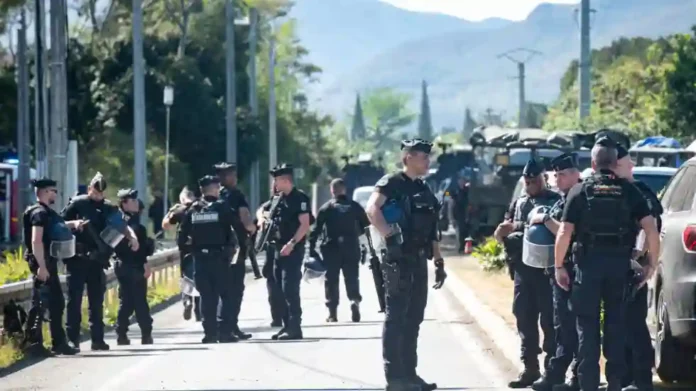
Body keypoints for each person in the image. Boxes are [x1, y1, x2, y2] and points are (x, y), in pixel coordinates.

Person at [553, 137, 660, 391]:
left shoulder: (580, 191)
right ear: (614, 163)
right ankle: (614, 384)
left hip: (587, 269)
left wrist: (559, 266)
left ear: (593, 163)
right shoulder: (630, 190)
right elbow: (651, 228)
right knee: (615, 328)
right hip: (619, 269)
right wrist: (650, 265)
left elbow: (564, 233)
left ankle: (588, 385)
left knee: (587, 330)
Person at [365, 138, 446, 391]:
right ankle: (395, 378)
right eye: (423, 157)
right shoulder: (392, 183)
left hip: (419, 258)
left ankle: (410, 375)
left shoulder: (424, 189)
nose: (427, 161)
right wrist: (389, 236)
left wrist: (439, 260)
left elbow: (432, 227)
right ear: (408, 157)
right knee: (396, 316)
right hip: (397, 259)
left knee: (414, 318)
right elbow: (371, 209)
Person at [494, 159, 559, 388]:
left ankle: (552, 370)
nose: (531, 185)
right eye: (528, 181)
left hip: (546, 271)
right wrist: (501, 233)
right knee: (524, 318)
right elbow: (503, 231)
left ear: (544, 178)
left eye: (535, 180)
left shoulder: (555, 201)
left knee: (550, 321)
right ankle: (530, 368)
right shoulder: (518, 202)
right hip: (522, 270)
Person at [61, 172, 139, 351]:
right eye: (95, 192)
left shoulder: (108, 208)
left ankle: (98, 339)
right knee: (74, 300)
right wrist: (75, 223)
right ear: (89, 189)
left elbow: (122, 225)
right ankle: (73, 339)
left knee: (96, 302)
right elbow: (59, 223)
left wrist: (132, 237)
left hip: (97, 261)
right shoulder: (78, 203)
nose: (97, 196)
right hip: (77, 259)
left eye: (100, 193)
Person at [530, 154, 581, 391]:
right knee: (562, 325)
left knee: (575, 325)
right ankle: (557, 373)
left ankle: (573, 376)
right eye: (555, 174)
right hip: (561, 270)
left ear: (574, 173)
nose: (557, 179)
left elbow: (567, 233)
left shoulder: (580, 197)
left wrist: (545, 219)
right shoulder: (564, 198)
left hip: (576, 270)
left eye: (562, 174)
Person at [613, 144, 660, 391]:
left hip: (633, 269)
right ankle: (623, 379)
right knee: (616, 325)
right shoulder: (614, 189)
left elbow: (650, 227)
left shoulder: (639, 192)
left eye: (618, 163)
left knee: (633, 325)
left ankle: (641, 381)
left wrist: (640, 257)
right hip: (612, 267)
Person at [22, 178, 85, 356]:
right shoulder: (38, 213)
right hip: (41, 262)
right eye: (53, 191)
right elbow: (36, 240)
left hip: (49, 262)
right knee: (40, 303)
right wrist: (41, 267)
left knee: (56, 302)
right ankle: (34, 344)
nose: (56, 194)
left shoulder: (47, 213)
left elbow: (55, 227)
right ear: (45, 192)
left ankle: (59, 343)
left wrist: (72, 224)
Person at [178, 175, 240, 343]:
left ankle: (210, 334)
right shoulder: (222, 208)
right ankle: (225, 333)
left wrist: (190, 253)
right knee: (226, 295)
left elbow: (181, 237)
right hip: (220, 258)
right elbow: (236, 228)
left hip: (200, 260)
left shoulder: (193, 210)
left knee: (207, 297)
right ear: (213, 189)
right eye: (217, 187)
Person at [259, 163, 311, 340]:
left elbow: (305, 224)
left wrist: (291, 243)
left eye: (277, 180)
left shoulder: (300, 198)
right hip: (276, 250)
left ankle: (295, 326)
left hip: (292, 250)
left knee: (290, 288)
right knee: (278, 289)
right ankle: (286, 325)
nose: (274, 184)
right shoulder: (277, 199)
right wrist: (262, 220)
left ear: (286, 180)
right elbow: (262, 211)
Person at [309, 178, 370, 323]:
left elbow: (315, 230)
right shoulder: (354, 206)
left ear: (332, 191)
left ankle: (332, 313)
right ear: (344, 190)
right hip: (351, 247)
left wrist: (311, 249)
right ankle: (354, 301)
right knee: (352, 277)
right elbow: (366, 226)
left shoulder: (326, 208)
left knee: (331, 280)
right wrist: (361, 241)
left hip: (331, 248)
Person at [214, 162, 257, 340]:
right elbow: (246, 221)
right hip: (235, 250)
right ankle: (228, 327)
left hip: (216, 250)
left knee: (220, 290)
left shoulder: (212, 197)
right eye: (232, 174)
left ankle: (223, 326)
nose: (235, 177)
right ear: (227, 177)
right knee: (235, 290)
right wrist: (254, 229)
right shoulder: (237, 196)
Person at [114, 189, 154, 346]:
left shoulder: (117, 223)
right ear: (123, 204)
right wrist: (145, 264)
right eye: (132, 200)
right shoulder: (134, 227)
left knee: (128, 301)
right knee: (139, 301)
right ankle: (145, 334)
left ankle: (121, 334)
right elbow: (140, 251)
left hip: (122, 266)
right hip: (133, 266)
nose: (136, 203)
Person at [163, 186, 201, 321]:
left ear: (182, 198)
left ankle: (187, 301)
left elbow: (165, 225)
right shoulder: (202, 206)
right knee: (201, 277)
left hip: (185, 249)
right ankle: (199, 311)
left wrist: (171, 212)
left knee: (186, 277)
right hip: (202, 248)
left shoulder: (179, 210)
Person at [257, 200, 285, 327]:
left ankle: (285, 317)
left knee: (286, 285)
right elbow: (260, 213)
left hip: (286, 248)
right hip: (272, 249)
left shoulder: (295, 201)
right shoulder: (270, 205)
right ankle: (277, 317)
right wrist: (261, 218)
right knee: (273, 285)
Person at [449, 173, 471, 253]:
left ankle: (464, 246)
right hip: (457, 211)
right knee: (460, 230)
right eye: (460, 180)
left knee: (465, 230)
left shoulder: (466, 190)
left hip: (465, 211)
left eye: (463, 180)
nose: (461, 182)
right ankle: (461, 246)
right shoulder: (454, 189)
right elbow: (447, 194)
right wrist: (450, 196)